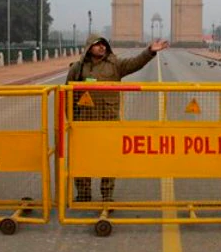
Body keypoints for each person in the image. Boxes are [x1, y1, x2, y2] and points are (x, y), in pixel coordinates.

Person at [66, 34, 170, 202]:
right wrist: (70, 120)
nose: (102, 47)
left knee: (108, 160)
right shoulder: (77, 68)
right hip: (84, 123)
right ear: (88, 48)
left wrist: (150, 52)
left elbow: (135, 63)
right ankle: (83, 194)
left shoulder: (115, 65)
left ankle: (107, 196)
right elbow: (67, 95)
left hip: (108, 121)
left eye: (103, 44)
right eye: (97, 44)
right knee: (82, 159)